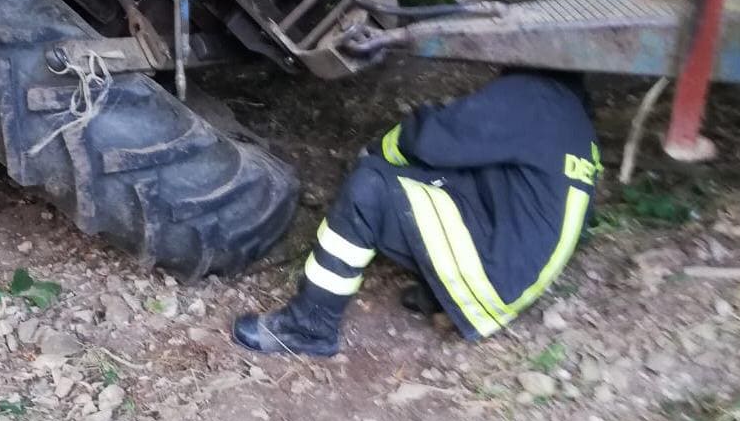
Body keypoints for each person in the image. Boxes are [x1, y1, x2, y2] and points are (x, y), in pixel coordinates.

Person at [233, 69, 602, 356]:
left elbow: (436, 138)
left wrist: (378, 153)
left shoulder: (531, 95)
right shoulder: (575, 125)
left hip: (493, 277)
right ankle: (440, 296)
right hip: (514, 280)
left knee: (369, 187)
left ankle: (309, 327)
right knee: (425, 187)